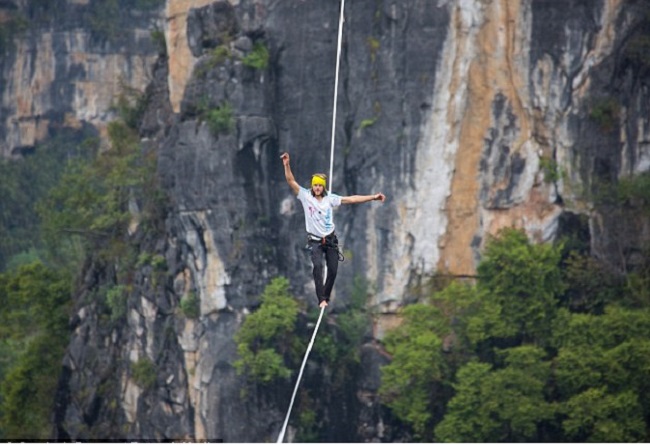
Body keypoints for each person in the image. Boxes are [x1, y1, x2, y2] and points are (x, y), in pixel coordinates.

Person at [281, 152, 386, 309]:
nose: (317, 188)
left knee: (333, 270)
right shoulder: (305, 196)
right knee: (317, 267)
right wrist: (287, 165)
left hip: (330, 239)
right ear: (312, 185)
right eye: (315, 185)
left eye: (319, 185)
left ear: (323, 186)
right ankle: (321, 298)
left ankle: (326, 296)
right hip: (315, 240)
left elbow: (351, 199)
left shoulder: (330, 198)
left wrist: (373, 197)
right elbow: (291, 181)